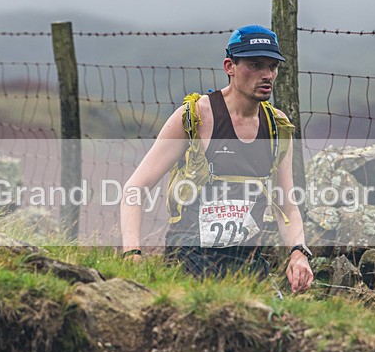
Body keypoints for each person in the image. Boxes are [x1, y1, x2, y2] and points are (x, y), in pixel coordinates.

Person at [119, 25, 313, 293]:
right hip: (188, 264)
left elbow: (287, 206)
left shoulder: (277, 126)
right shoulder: (194, 117)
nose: (267, 75)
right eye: (255, 65)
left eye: (272, 66)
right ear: (229, 66)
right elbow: (135, 189)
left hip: (247, 268)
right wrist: (132, 253)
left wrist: (298, 252)